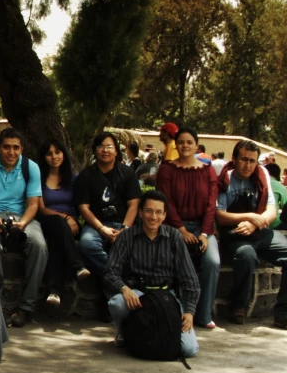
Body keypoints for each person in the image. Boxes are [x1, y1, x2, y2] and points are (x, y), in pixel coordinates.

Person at [104, 190, 201, 357]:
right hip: (138, 294)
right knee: (117, 303)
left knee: (188, 349)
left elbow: (190, 279)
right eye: (148, 211)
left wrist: (189, 312)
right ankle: (125, 331)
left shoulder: (174, 237)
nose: (153, 216)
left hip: (166, 295)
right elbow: (110, 271)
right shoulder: (127, 236)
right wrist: (124, 289)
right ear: (140, 212)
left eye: (158, 212)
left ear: (164, 215)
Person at [215, 140, 287, 332]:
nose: (248, 165)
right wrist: (250, 216)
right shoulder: (224, 178)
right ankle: (238, 305)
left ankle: (285, 314)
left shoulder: (262, 175)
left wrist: (253, 222)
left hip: (258, 229)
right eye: (243, 159)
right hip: (234, 233)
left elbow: (271, 212)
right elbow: (220, 216)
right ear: (234, 159)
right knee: (246, 255)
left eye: (252, 161)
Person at [0, 127, 46, 327]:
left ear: (22, 148)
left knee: (39, 245)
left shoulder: (31, 167)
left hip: (23, 216)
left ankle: (26, 307)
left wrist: (22, 224)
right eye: (6, 147)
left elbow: (33, 204)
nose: (11, 152)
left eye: (16, 147)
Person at [155, 128, 220, 329]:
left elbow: (211, 204)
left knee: (212, 261)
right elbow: (166, 202)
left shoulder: (207, 170)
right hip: (173, 226)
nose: (185, 146)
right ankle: (174, 311)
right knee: (170, 261)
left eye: (189, 142)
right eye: (181, 142)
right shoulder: (167, 169)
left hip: (203, 228)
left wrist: (203, 233)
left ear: (196, 145)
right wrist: (181, 230)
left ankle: (203, 314)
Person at [75, 132, 142, 282]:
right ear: (95, 150)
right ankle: (120, 276)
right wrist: (101, 229)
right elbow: (83, 208)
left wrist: (124, 230)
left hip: (123, 223)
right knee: (86, 244)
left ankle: (113, 276)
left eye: (109, 146)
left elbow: (133, 205)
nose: (105, 150)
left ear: (116, 151)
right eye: (101, 146)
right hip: (96, 225)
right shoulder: (86, 176)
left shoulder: (127, 173)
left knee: (136, 248)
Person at [36, 138, 90, 307]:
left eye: (58, 152)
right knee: (58, 224)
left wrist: (71, 220)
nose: (54, 157)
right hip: (47, 221)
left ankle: (54, 292)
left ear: (64, 154)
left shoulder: (73, 178)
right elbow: (41, 208)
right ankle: (77, 265)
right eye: (49, 153)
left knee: (56, 242)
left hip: (70, 225)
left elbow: (81, 205)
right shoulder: (38, 177)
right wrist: (65, 218)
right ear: (44, 157)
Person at [264, 163, 287, 230]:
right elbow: (286, 207)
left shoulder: (256, 182)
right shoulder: (280, 187)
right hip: (273, 224)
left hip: (255, 220)